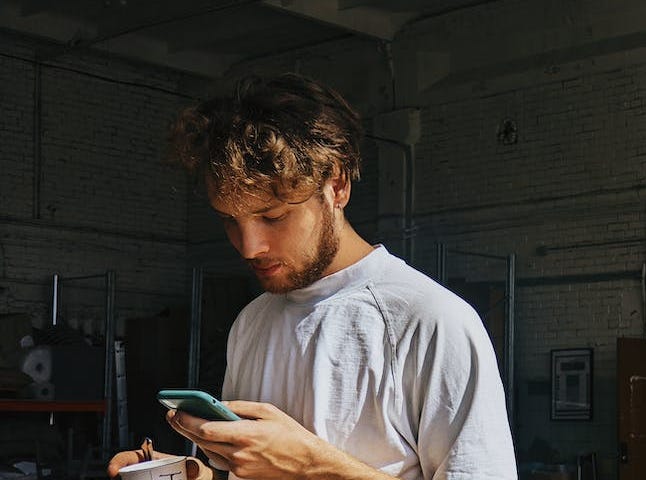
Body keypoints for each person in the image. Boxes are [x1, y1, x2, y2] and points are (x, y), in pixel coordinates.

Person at [107, 73, 517, 480]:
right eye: (230, 221)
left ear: (336, 186)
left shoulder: (430, 322)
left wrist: (310, 465)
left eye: (273, 216)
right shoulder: (251, 322)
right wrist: (186, 473)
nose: (249, 247)